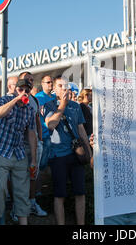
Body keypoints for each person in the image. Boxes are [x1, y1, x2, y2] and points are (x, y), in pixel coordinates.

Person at [0, 79, 38, 225]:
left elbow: (31, 134)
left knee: (22, 192)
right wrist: (16, 99)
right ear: (15, 89)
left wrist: (34, 160)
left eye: (27, 90)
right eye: (20, 89)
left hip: (18, 153)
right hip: (0, 151)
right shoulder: (4, 99)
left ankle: (23, 222)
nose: (24, 92)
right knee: (0, 189)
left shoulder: (29, 109)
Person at [44, 77, 88, 225]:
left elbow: (81, 130)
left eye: (66, 86)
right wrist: (62, 104)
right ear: (54, 90)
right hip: (58, 156)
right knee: (59, 195)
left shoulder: (76, 106)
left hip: (77, 155)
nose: (64, 88)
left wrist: (90, 153)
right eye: (60, 86)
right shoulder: (48, 106)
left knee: (80, 193)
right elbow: (50, 125)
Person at [17, 71, 47, 218]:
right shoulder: (13, 98)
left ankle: (32, 203)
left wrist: (40, 139)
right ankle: (18, 207)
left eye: (31, 80)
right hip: (18, 145)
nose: (29, 82)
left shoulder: (34, 100)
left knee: (33, 174)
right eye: (26, 79)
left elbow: (37, 121)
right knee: (19, 176)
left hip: (34, 144)